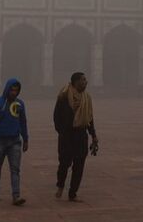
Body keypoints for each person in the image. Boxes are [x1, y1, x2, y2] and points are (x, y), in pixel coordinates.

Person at [0, 78, 29, 206]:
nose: (14, 93)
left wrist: (26, 139)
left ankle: (16, 195)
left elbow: (23, 122)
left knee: (15, 169)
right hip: (0, 141)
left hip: (15, 141)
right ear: (7, 89)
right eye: (12, 90)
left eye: (16, 90)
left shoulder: (20, 104)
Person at [53, 72, 98, 203]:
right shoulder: (64, 96)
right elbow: (56, 116)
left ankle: (73, 193)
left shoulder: (87, 98)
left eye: (86, 80)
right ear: (76, 82)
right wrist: (62, 131)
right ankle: (60, 185)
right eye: (83, 80)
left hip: (81, 135)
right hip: (66, 136)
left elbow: (89, 118)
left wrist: (93, 135)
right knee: (64, 163)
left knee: (79, 165)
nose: (86, 82)